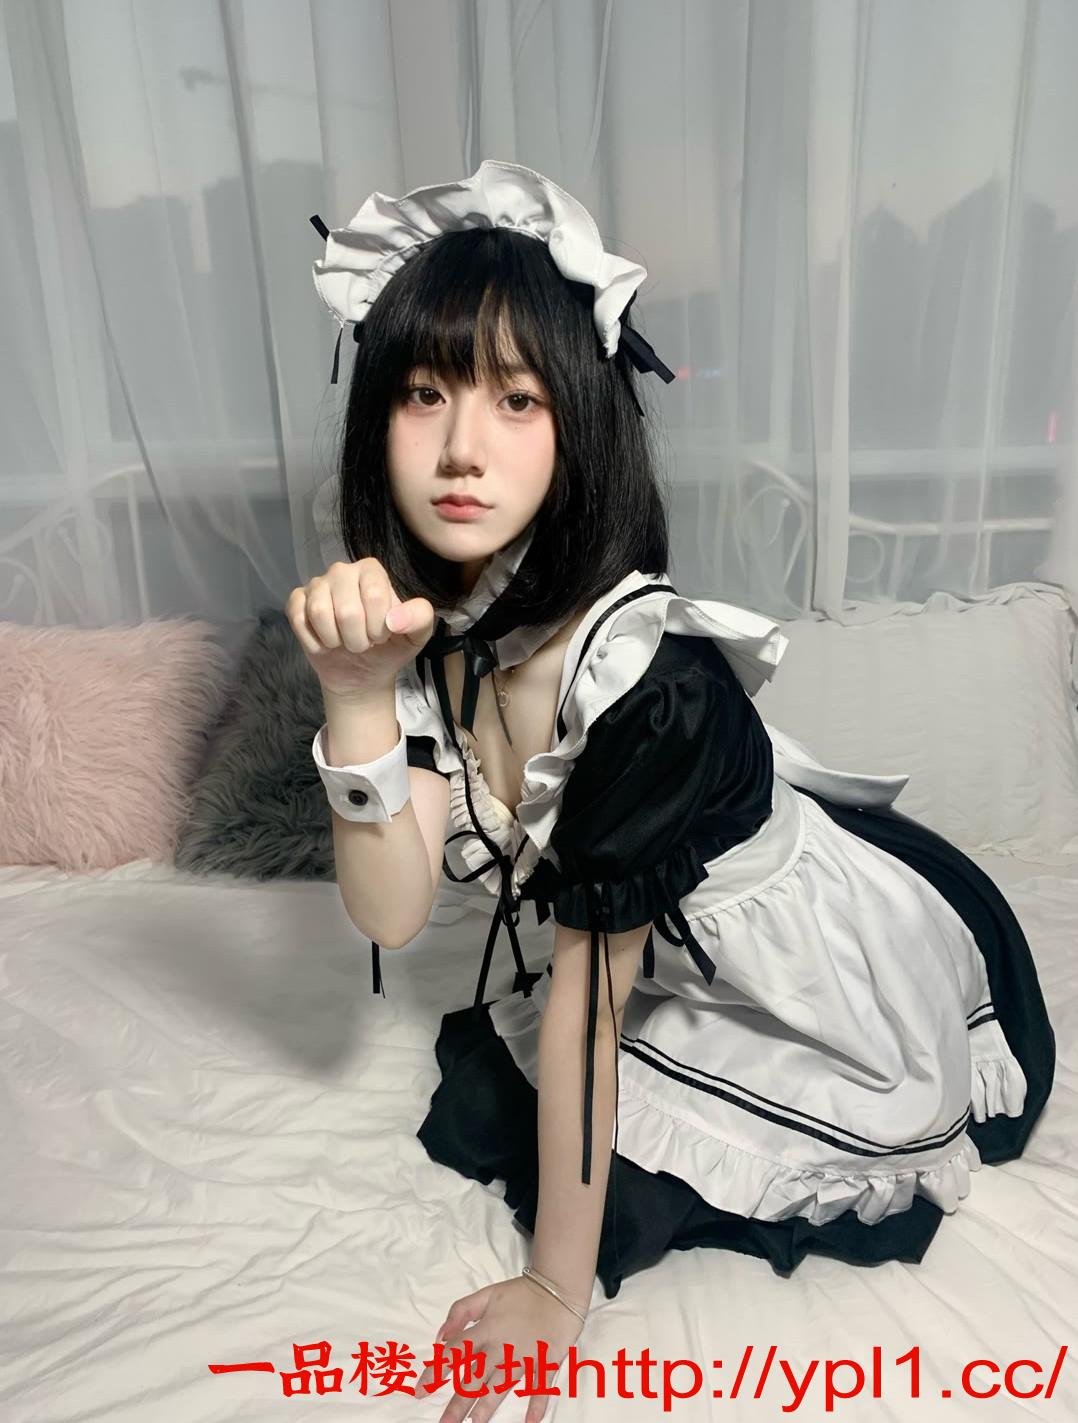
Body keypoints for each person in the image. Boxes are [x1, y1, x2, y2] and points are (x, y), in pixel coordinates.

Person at [289, 160, 1054, 1421]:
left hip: (809, 960)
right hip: (669, 948)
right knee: (506, 1104)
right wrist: (357, 698)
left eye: (516, 399)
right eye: (424, 393)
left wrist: (555, 1289)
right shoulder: (446, 630)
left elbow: (589, 1005)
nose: (461, 447)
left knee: (604, 1179)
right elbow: (391, 910)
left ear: (578, 423)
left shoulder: (648, 683)